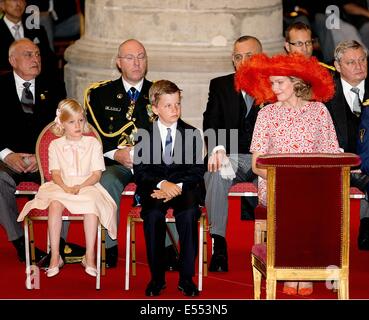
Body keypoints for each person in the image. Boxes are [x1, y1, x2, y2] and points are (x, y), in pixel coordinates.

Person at [236, 52, 340, 296]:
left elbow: (331, 157)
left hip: (313, 184)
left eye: (280, 82)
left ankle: (302, 270)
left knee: (308, 199)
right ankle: (292, 268)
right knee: (290, 199)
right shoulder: (266, 114)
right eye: (271, 83)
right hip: (273, 183)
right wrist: (285, 180)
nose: (274, 87)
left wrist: (310, 181)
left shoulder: (319, 112)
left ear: (296, 82)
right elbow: (256, 165)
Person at [85, 39, 179, 269]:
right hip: (116, 162)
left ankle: (167, 247)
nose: (137, 62)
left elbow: (174, 129)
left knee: (164, 183)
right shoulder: (99, 93)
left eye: (141, 56)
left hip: (153, 162)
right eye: (130, 57)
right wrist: (116, 154)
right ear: (119, 63)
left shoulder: (161, 91)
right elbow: (94, 133)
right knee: (107, 181)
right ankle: (110, 245)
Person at [17, 99, 117, 277]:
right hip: (60, 184)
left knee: (91, 207)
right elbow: (54, 173)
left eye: (80, 120)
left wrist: (80, 185)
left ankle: (90, 256)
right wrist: (65, 186)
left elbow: (96, 174)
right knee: (55, 204)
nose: (77, 125)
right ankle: (55, 255)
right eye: (71, 122)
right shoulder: (55, 144)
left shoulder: (93, 143)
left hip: (88, 184)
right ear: (62, 124)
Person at [133, 80, 205, 297]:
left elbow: (196, 170)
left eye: (177, 104)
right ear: (155, 108)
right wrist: (164, 184)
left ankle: (186, 278)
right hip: (155, 189)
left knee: (189, 213)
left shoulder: (192, 133)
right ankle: (157, 277)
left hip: (184, 189)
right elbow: (141, 171)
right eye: (168, 105)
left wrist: (177, 186)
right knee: (153, 215)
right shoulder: (143, 134)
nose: (175, 110)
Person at [0, 38, 66, 263]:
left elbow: (63, 128)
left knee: (66, 179)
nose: (35, 59)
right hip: (9, 159)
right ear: (13, 60)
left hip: (44, 159)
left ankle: (59, 245)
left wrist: (44, 156)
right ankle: (19, 241)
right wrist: (6, 155)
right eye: (28, 54)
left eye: (37, 54)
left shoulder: (54, 84)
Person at [203, 35, 262, 272]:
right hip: (233, 157)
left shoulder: (277, 84)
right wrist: (218, 150)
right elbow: (211, 123)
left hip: (266, 159)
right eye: (239, 57)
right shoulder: (220, 85)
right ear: (233, 61)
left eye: (250, 56)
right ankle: (219, 244)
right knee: (216, 171)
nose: (244, 61)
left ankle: (277, 246)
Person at [325, 40, 369, 250]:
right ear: (337, 65)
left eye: (362, 60)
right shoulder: (325, 93)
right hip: (336, 164)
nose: (359, 66)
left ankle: (367, 226)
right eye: (351, 62)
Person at [0, 0, 57, 77]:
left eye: (22, 0)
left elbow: (49, 60)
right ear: (2, 5)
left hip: (37, 82)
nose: (18, 3)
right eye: (14, 0)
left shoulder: (38, 30)